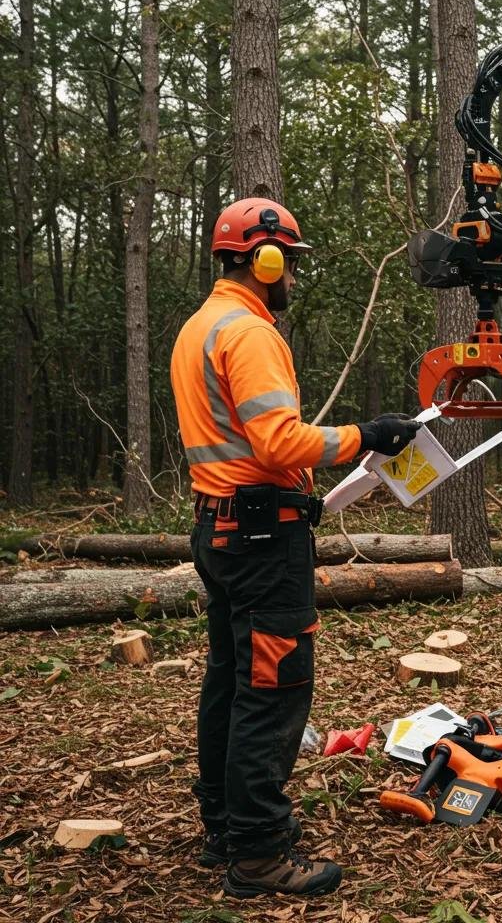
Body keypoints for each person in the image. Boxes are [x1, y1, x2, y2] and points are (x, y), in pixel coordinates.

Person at [170, 198, 420, 899]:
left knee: (231, 678)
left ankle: (225, 824)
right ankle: (257, 854)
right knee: (273, 688)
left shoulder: (199, 327)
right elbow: (280, 441)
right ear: (264, 259)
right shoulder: (247, 332)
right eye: (290, 265)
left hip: (221, 527)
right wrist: (365, 436)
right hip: (259, 536)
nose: (292, 280)